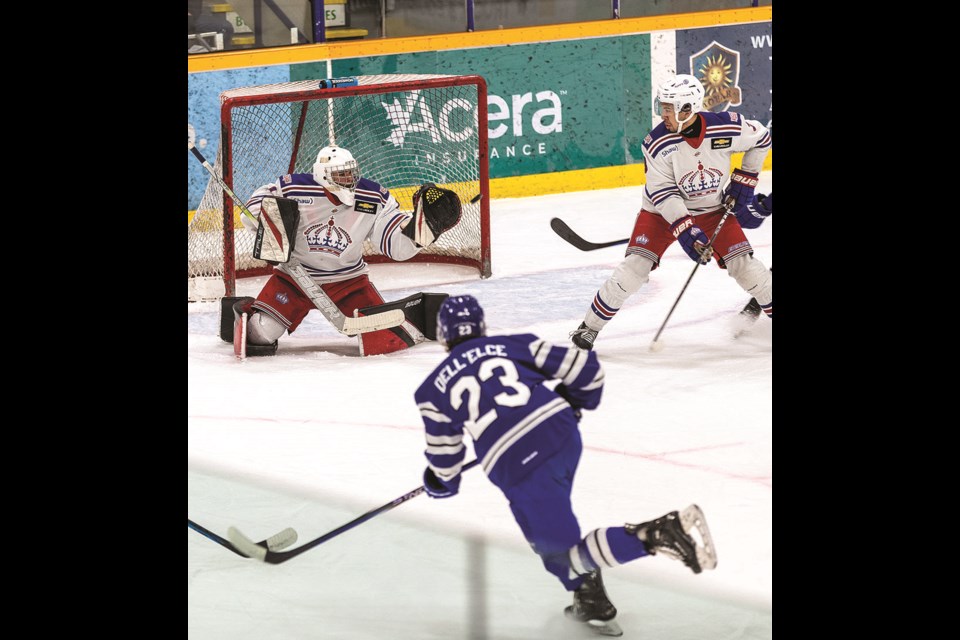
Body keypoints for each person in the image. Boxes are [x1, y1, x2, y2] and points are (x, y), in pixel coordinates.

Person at [413, 294, 717, 635]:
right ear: (482, 326)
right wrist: (575, 402)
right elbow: (586, 369)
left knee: (561, 556)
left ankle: (655, 534)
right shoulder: (514, 345)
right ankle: (590, 600)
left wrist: (439, 482)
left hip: (521, 467)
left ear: (442, 335)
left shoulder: (430, 390)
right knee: (549, 533)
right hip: (562, 437)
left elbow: (445, 459)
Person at [570, 74, 773, 350]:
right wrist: (686, 231)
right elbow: (663, 194)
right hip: (660, 215)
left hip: (713, 211)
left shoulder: (726, 128)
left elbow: (761, 139)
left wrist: (744, 179)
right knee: (633, 270)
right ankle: (589, 327)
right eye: (662, 106)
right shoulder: (656, 143)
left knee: (749, 270)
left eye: (669, 108)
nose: (663, 114)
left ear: (688, 109)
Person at [225, 145, 461, 356]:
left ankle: (422, 315)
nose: (349, 179)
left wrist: (420, 233)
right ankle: (240, 310)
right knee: (259, 335)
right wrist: (260, 218)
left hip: (348, 282)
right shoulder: (293, 188)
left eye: (351, 173)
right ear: (323, 175)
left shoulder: (373, 196)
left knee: (385, 340)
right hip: (293, 279)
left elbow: (393, 244)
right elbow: (258, 203)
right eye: (341, 174)